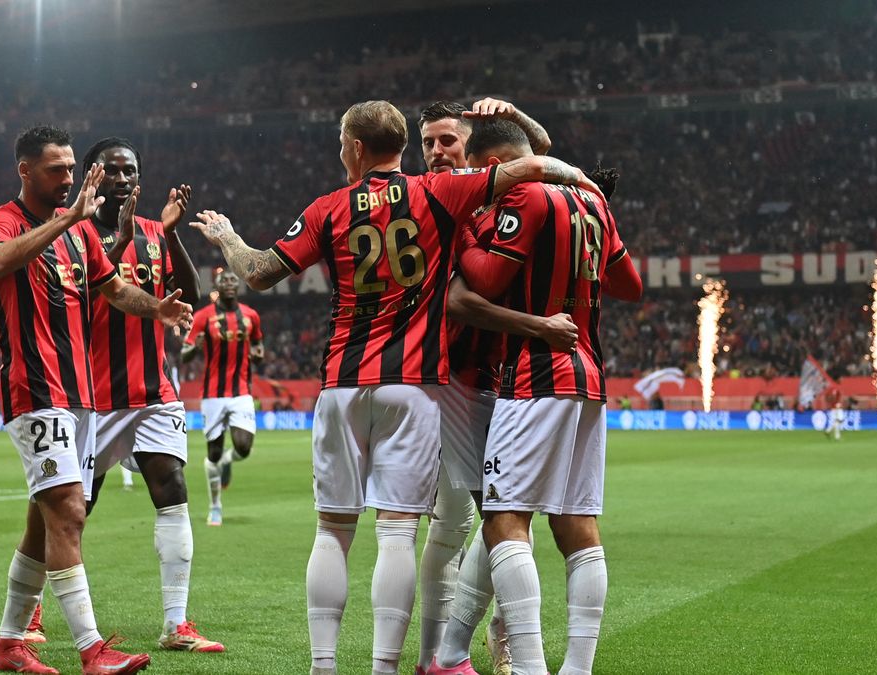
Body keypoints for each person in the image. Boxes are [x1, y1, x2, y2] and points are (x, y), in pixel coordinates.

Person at [189, 100, 596, 675]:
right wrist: (583, 185)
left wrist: (227, 236)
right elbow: (529, 167)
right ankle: (386, 668)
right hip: (415, 385)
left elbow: (257, 270)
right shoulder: (438, 194)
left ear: (355, 148)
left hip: (342, 382)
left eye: (340, 143)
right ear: (404, 145)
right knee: (399, 534)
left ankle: (324, 667)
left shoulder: (327, 206)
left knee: (332, 530)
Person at [0, 125, 193, 675]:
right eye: (57, 169)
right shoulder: (5, 220)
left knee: (43, 521)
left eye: (73, 168)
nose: (70, 178)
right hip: (36, 388)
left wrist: (159, 309)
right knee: (71, 513)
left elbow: (115, 290)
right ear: (25, 170)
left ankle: (8, 645)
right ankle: (93, 650)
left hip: (83, 397)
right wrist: (67, 218)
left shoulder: (82, 237)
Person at [435, 119, 642, 675]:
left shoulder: (521, 195)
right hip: (590, 376)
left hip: (532, 376)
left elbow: (486, 278)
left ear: (497, 161)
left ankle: (527, 667)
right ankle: (575, 668)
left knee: (503, 517)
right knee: (577, 524)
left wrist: (466, 235)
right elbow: (630, 286)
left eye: (486, 170)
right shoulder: (591, 203)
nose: (485, 181)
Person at [415, 98, 555, 675]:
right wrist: (535, 325)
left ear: (473, 151)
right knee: (492, 515)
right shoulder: (431, 203)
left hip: (492, 380)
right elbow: (458, 300)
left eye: (447, 140)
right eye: (427, 143)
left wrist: (518, 117)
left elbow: (538, 155)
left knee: (466, 524)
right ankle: (469, 648)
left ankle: (444, 652)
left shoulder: (487, 190)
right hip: (446, 381)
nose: (436, 152)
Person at [77, 136, 224, 653]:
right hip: (92, 397)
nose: (123, 179)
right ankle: (31, 613)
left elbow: (189, 291)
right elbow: (90, 294)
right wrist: (116, 240)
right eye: (113, 170)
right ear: (93, 175)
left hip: (153, 390)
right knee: (72, 511)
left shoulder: (151, 231)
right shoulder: (73, 232)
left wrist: (171, 233)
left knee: (172, 490)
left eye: (131, 171)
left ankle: (176, 624)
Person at [180, 269, 264, 526]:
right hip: (213, 394)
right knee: (213, 454)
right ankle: (215, 506)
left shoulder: (251, 316)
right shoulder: (204, 316)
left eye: (233, 280)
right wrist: (196, 346)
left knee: (244, 447)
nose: (229, 283)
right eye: (224, 280)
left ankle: (230, 460)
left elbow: (258, 346)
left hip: (241, 392)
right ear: (216, 286)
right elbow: (184, 354)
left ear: (238, 286)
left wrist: (258, 354)